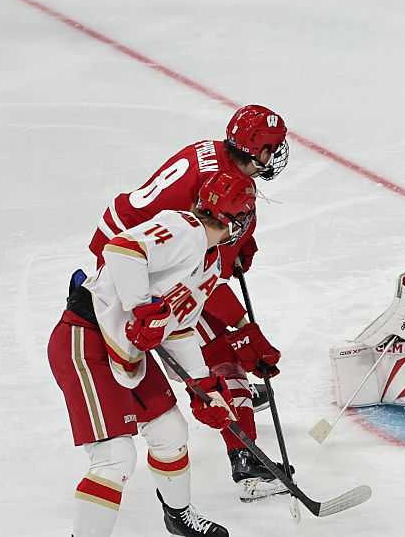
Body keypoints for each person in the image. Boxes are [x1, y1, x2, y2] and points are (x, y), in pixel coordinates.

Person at [87, 104, 290, 500]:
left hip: (140, 250)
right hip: (138, 264)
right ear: (254, 148)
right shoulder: (220, 185)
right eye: (271, 147)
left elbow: (210, 236)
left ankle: (233, 398)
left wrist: (241, 242)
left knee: (217, 339)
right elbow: (199, 281)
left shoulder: (218, 156)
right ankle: (246, 462)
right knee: (219, 349)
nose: (275, 156)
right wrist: (242, 329)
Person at [47, 172, 267, 537]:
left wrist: (204, 386)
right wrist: (141, 308)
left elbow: (177, 327)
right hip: (84, 341)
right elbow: (122, 249)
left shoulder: (209, 263)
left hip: (126, 348)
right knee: (115, 458)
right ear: (236, 220)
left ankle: (178, 516)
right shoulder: (183, 228)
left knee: (170, 431)